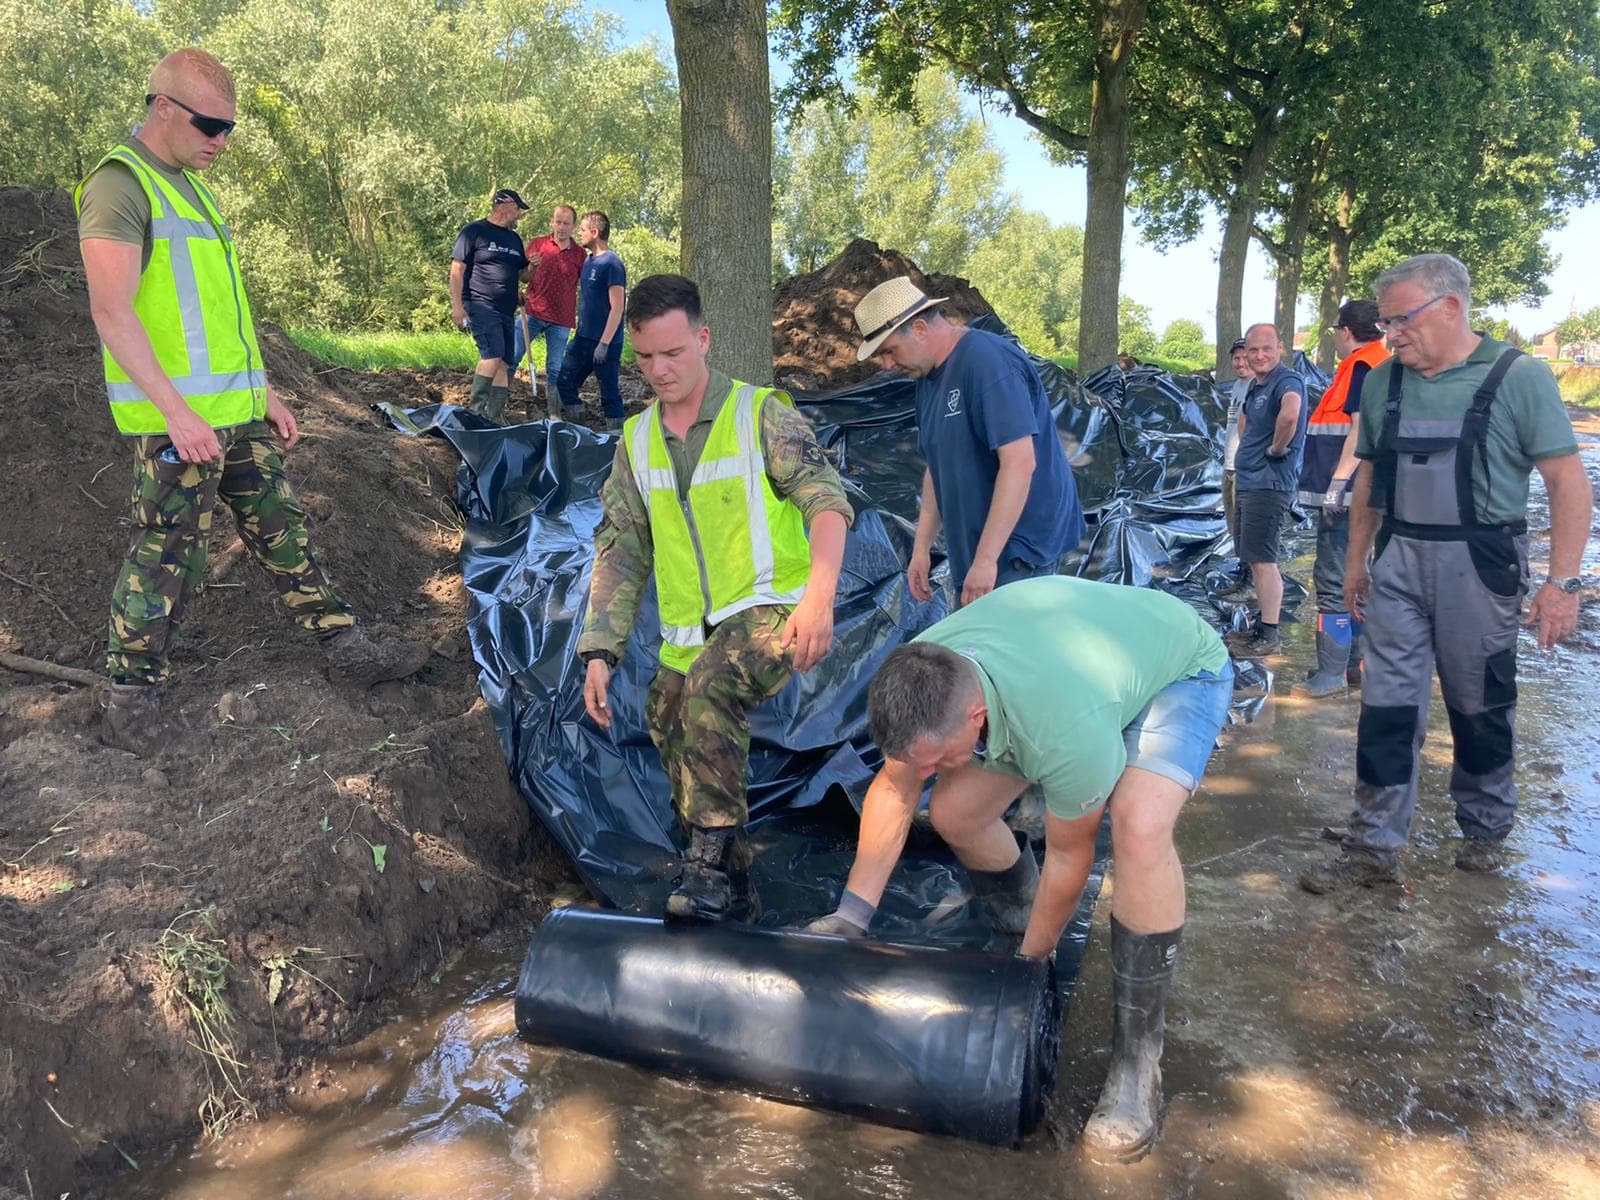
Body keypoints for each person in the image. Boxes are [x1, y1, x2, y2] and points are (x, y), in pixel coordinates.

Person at [805, 575, 1232, 1162]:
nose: (928, 772)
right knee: (953, 812)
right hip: (1069, 665)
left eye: (938, 759)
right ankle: (1018, 922)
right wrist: (851, 917)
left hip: (1179, 670)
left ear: (975, 717)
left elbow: (1071, 854)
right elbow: (896, 786)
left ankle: (1138, 1063)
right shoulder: (925, 675)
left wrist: (1027, 970)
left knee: (1139, 827)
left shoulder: (1064, 729)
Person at [75, 49, 426, 757]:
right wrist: (177, 413)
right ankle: (130, 700)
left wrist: (262, 391)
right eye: (211, 125)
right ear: (163, 108)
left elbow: (218, 311)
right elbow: (113, 312)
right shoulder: (120, 185)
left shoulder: (192, 188)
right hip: (178, 424)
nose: (222, 141)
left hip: (235, 414)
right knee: (167, 554)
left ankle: (342, 643)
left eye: (229, 128)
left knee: (280, 525)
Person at [1300, 254, 1592, 893]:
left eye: (1401, 320)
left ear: (1452, 307)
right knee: (1387, 706)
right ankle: (1373, 846)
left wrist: (1562, 583)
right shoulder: (1384, 381)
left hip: (1480, 563)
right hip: (1398, 558)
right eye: (1385, 323)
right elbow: (1370, 476)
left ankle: (1485, 828)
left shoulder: (1518, 376)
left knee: (1479, 700)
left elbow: (1567, 482)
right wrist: (1357, 563)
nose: (1390, 335)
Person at [577, 274, 853, 921]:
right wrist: (600, 651)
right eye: (646, 357)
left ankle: (703, 871)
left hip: (775, 606)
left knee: (709, 689)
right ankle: (733, 882)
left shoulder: (761, 414)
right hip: (690, 632)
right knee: (668, 714)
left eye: (673, 353)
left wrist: (819, 600)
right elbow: (622, 548)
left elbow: (827, 503)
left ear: (703, 339)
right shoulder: (636, 440)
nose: (659, 370)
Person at [852, 277, 1085, 608]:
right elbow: (937, 466)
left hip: (1020, 552)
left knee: (1006, 639)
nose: (887, 365)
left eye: (890, 350)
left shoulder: (988, 363)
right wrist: (921, 549)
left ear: (919, 328)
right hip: (974, 550)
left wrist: (987, 561)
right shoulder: (927, 379)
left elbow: (1019, 463)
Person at [1293, 301, 1390, 697]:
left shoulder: (1363, 367)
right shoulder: (1379, 363)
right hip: (1361, 492)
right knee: (1357, 577)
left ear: (1346, 331)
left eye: (1336, 329)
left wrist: (1337, 483)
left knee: (1335, 578)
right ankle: (1354, 667)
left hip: (1347, 496)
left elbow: (1359, 429)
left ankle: (1331, 674)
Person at [1224, 323, 1308, 656]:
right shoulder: (1257, 385)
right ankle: (1261, 624)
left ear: (1280, 348)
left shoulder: (1286, 381)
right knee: (1253, 556)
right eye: (1253, 350)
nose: (1259, 356)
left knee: (1263, 561)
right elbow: (1245, 420)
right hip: (1250, 480)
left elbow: (1290, 414)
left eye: (1266, 349)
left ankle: (1269, 632)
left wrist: (1275, 448)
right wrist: (1249, 451)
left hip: (1268, 485)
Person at [450, 187, 530, 422]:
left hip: (506, 310)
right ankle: (475, 413)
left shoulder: (514, 239)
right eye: (518, 209)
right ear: (505, 206)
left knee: (504, 362)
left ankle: (494, 416)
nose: (520, 215)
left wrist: (533, 267)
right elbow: (457, 269)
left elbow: (523, 275)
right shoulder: (474, 232)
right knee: (492, 354)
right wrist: (457, 307)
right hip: (480, 304)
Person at [556, 210, 626, 430]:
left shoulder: (612, 264)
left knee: (609, 394)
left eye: (583, 230)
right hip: (583, 339)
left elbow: (617, 307)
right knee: (564, 382)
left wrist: (604, 344)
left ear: (595, 232)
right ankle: (579, 428)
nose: (580, 234)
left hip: (605, 342)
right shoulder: (588, 261)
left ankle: (616, 437)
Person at [512, 203, 585, 404]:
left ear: (573, 226)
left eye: (566, 223)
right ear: (551, 222)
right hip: (532, 312)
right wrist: (531, 268)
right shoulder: (538, 245)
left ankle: (553, 410)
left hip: (561, 319)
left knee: (555, 368)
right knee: (512, 357)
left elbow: (585, 285)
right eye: (558, 222)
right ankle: (497, 406)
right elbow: (523, 277)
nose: (561, 227)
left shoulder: (579, 254)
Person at [1219, 337, 1250, 592]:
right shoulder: (1238, 386)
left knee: (1246, 525)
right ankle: (1242, 572)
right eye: (1236, 358)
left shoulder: (1256, 386)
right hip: (1230, 465)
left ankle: (1248, 581)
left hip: (1244, 467)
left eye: (1244, 357)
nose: (1240, 363)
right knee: (1234, 525)